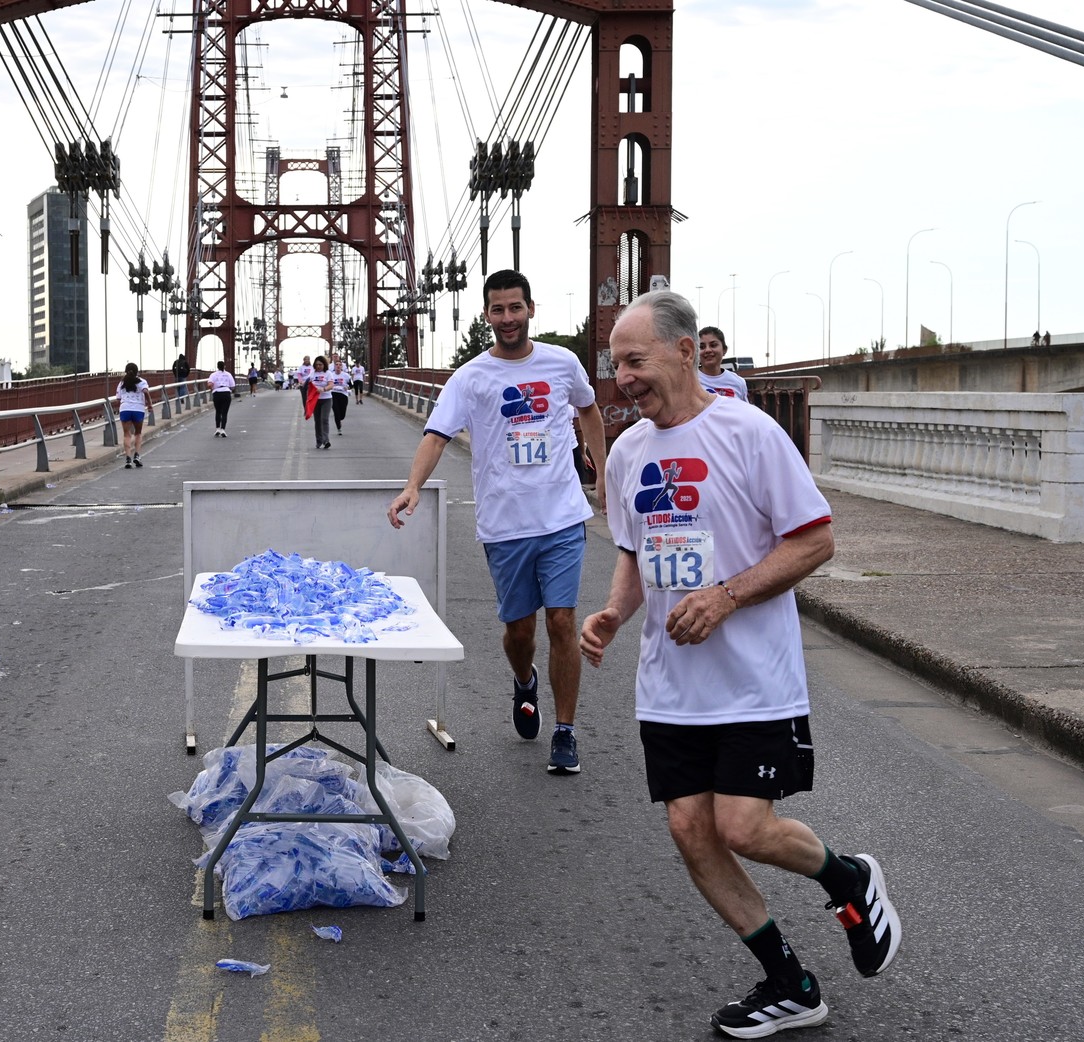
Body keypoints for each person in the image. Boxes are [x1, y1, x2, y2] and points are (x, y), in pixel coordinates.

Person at [580, 289, 902, 1038]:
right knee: (691, 831)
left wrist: (724, 598)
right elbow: (634, 555)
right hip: (668, 687)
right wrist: (612, 613)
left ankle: (848, 879)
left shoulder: (749, 434)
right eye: (615, 364)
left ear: (685, 351)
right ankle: (788, 983)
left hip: (752, 680)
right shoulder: (627, 453)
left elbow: (813, 540)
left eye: (635, 360)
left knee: (744, 829)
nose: (622, 378)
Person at [386, 269, 607, 773]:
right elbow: (437, 434)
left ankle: (565, 731)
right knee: (520, 630)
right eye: (498, 310)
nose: (508, 318)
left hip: (562, 518)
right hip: (505, 524)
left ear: (531, 309)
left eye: (516, 308)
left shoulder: (562, 363)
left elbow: (590, 410)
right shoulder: (470, 377)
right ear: (487, 315)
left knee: (562, 620)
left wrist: (603, 467)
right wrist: (413, 486)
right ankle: (524, 682)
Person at [115, 362, 154, 469]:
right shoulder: (142, 382)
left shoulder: (121, 383)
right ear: (137, 372)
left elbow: (118, 399)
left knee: (127, 434)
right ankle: (137, 455)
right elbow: (146, 392)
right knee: (138, 433)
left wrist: (120, 406)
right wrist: (150, 405)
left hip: (125, 408)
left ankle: (128, 458)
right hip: (138, 409)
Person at [697, 326, 750, 400]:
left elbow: (743, 410)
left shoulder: (738, 382)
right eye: (702, 347)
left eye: (713, 345)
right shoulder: (688, 380)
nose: (707, 350)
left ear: (724, 350)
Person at [306, 355, 334, 449]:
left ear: (324, 365)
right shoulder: (312, 373)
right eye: (317, 364)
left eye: (320, 364)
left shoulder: (328, 373)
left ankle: (326, 440)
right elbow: (307, 382)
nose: (318, 366)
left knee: (324, 419)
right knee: (317, 420)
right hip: (315, 400)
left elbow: (331, 385)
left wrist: (324, 389)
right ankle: (319, 440)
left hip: (326, 399)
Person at [207, 361, 236, 436]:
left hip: (217, 393)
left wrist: (212, 389)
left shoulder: (213, 374)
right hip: (226, 393)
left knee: (218, 411)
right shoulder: (228, 374)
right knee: (224, 413)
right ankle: (223, 429)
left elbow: (209, 384)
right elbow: (233, 386)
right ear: (224, 366)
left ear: (217, 366)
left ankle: (217, 429)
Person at [329, 359, 352, 435]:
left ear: (341, 366)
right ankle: (339, 428)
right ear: (334, 366)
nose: (338, 366)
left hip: (343, 395)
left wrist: (347, 387)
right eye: (336, 364)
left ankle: (340, 419)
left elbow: (351, 385)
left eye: (340, 365)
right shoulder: (331, 375)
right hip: (333, 394)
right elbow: (327, 384)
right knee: (336, 412)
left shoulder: (346, 375)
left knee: (342, 415)